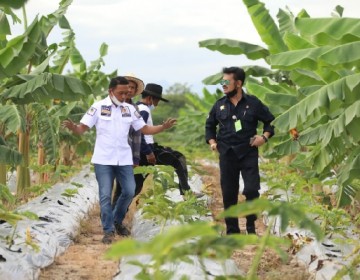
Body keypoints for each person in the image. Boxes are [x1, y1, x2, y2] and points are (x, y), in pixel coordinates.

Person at [62, 76, 176, 244]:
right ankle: (108, 231)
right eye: (121, 93)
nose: (124, 96)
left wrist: (162, 127)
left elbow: (144, 129)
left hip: (124, 159)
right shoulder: (98, 107)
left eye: (126, 93)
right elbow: (81, 129)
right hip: (103, 159)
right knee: (105, 195)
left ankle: (116, 219)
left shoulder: (130, 109)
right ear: (111, 91)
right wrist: (73, 128)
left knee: (129, 191)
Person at [205, 67, 275, 235]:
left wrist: (263, 138)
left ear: (238, 83)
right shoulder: (219, 105)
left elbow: (271, 122)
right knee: (229, 193)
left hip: (248, 151)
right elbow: (209, 126)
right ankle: (232, 231)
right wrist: (212, 142)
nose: (223, 85)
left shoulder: (253, 103)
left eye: (226, 82)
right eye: (221, 82)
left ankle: (251, 226)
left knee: (251, 189)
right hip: (227, 153)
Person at [136, 83, 203, 197]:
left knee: (135, 186)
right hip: (146, 151)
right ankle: (186, 192)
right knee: (178, 159)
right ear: (150, 98)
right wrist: (148, 152)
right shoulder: (144, 110)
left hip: (146, 149)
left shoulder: (137, 107)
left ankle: (186, 192)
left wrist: (163, 127)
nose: (157, 104)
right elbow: (139, 132)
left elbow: (146, 130)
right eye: (157, 101)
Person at [112, 74, 144, 208]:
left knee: (123, 188)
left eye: (133, 88)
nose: (129, 90)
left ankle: (114, 219)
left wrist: (135, 159)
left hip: (126, 154)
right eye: (127, 87)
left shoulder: (135, 109)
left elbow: (137, 135)